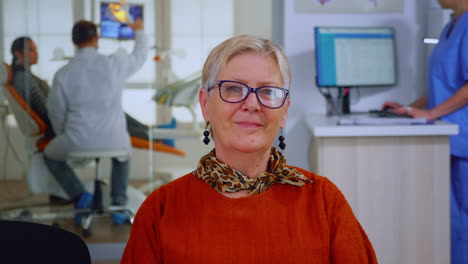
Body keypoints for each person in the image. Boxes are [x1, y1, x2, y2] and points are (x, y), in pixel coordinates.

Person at [121, 35, 377, 263]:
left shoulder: (323, 202)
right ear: (205, 105)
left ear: (284, 111)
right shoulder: (160, 211)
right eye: (233, 88)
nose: (252, 103)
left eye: (267, 91)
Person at [382, 1, 468, 262]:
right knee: (450, 219)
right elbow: (443, 84)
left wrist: (431, 114)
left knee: (462, 219)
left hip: (462, 137)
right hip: (447, 135)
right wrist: (411, 108)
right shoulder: (450, 25)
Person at [43, 19, 147, 224]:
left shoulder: (62, 73)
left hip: (76, 140)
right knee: (123, 155)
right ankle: (118, 205)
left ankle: (80, 195)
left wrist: (65, 134)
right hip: (114, 141)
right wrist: (140, 31)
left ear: (73, 41)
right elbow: (140, 55)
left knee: (50, 155)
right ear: (96, 39)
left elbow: (55, 112)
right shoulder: (113, 64)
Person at [10, 36, 160, 149]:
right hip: (64, 126)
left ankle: (152, 133)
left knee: (113, 115)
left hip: (67, 122)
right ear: (17, 53)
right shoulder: (24, 79)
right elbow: (47, 111)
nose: (36, 53)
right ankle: (153, 134)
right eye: (30, 49)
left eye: (35, 49)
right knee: (111, 120)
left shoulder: (27, 76)